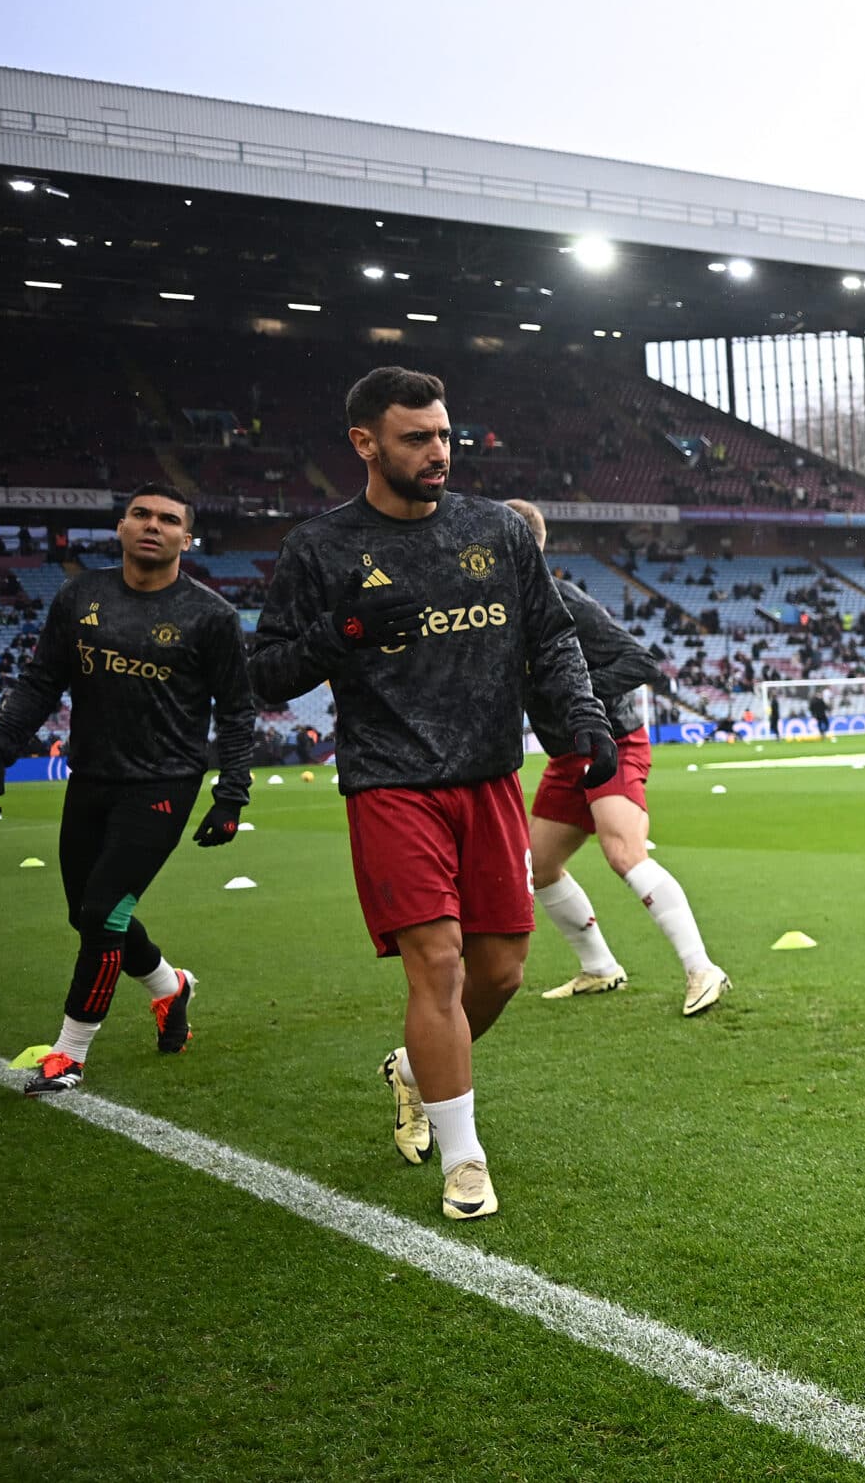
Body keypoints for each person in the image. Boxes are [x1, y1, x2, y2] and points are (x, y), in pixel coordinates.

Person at [250, 367, 615, 1222]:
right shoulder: (321, 547)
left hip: (489, 778)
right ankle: (466, 1163)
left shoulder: (497, 530)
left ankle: (414, 1074)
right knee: (440, 962)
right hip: (389, 781)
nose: (439, 452)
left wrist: (585, 721)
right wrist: (343, 632)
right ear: (365, 443)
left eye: (446, 434)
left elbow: (553, 641)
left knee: (502, 973)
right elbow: (262, 672)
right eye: (417, 438)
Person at [0, 486, 253, 1096]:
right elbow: (39, 682)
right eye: (141, 515)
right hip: (90, 778)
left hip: (163, 785)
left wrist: (232, 795)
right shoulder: (80, 595)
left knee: (102, 913)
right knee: (83, 914)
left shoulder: (210, 615)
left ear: (187, 538)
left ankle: (70, 1054)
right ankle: (170, 986)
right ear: (120, 526)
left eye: (168, 520)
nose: (152, 526)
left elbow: (238, 713)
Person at [503, 500, 728, 1014]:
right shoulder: (502, 610)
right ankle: (601, 968)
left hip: (612, 741)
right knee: (539, 867)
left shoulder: (562, 599)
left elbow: (638, 662)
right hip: (567, 756)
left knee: (624, 853)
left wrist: (573, 691)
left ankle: (702, 969)